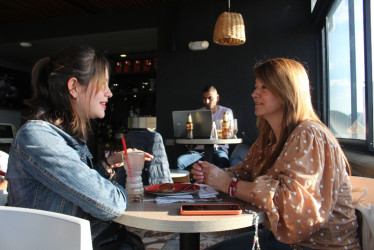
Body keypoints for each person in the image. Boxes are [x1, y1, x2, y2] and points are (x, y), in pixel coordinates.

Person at [191, 58, 360, 249]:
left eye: (264, 87)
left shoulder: (309, 134)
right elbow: (246, 173)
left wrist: (229, 184)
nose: (254, 93)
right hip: (285, 239)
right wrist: (213, 174)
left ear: (287, 92)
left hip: (315, 245)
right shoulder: (268, 137)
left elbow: (293, 207)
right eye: (256, 87)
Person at [5, 45, 153, 250]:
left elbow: (73, 193)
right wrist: (126, 190)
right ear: (74, 87)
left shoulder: (65, 139)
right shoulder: (38, 137)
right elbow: (110, 204)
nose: (109, 92)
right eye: (103, 84)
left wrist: (107, 164)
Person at [176, 85, 234, 169]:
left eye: (210, 98)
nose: (207, 101)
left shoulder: (226, 112)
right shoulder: (198, 112)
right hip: (199, 151)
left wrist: (214, 132)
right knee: (179, 162)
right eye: (204, 98)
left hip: (218, 149)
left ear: (217, 98)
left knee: (222, 163)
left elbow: (230, 133)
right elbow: (192, 137)